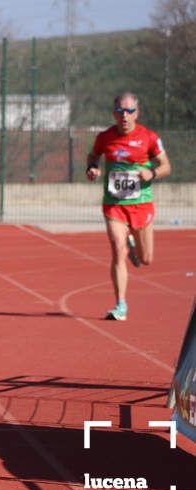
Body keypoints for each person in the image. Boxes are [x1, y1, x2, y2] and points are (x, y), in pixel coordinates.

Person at [86, 92, 171, 321]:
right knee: (117, 250)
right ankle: (120, 305)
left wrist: (151, 172)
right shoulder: (105, 137)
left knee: (146, 259)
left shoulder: (149, 137)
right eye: (120, 111)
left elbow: (166, 166)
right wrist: (92, 168)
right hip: (115, 205)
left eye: (130, 111)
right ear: (114, 113)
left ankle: (133, 243)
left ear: (137, 113)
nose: (125, 116)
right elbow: (93, 156)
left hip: (141, 205)